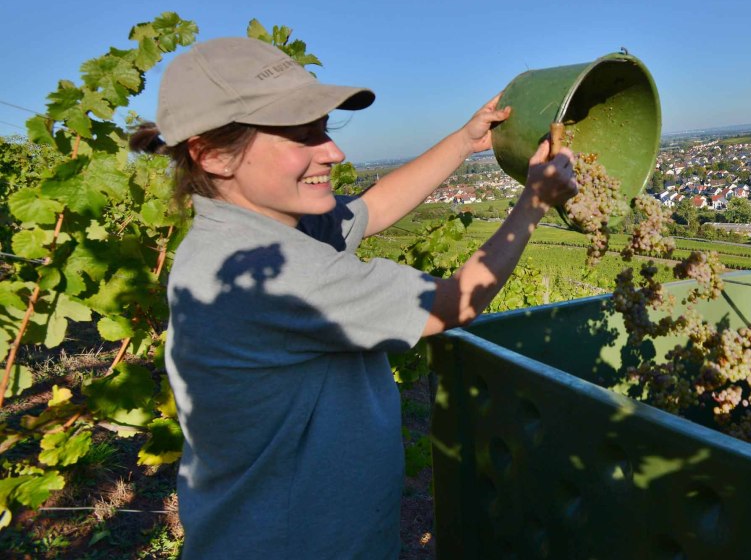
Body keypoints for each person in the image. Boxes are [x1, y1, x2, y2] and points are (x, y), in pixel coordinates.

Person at [130, 37, 578, 558]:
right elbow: (456, 303)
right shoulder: (275, 272)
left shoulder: (247, 235)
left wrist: (463, 141)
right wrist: (533, 204)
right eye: (301, 136)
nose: (334, 151)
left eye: (324, 128)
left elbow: (371, 210)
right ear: (211, 156)